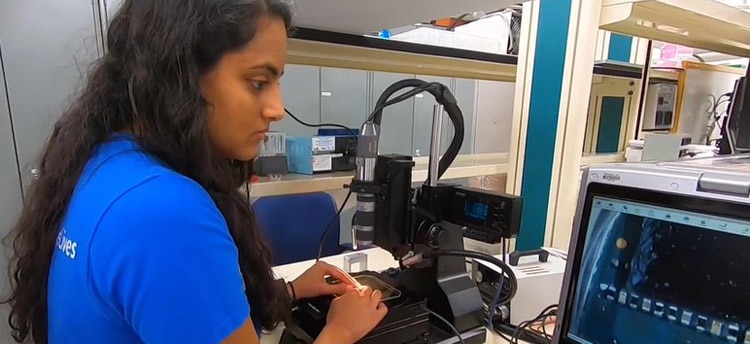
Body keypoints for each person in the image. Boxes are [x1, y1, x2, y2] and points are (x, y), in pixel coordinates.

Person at [1, 0, 388, 343]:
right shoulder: (165, 211)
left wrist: (284, 292)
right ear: (179, 75)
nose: (277, 108)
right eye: (258, 82)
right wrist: (340, 332)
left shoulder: (106, 165)